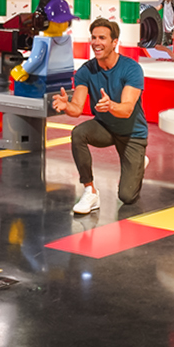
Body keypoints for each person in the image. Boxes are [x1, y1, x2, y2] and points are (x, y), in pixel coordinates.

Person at [54, 18, 148, 214]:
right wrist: (67, 106)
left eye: (102, 38)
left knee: (127, 196)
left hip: (132, 134)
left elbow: (127, 110)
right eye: (94, 37)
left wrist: (111, 105)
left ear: (114, 42)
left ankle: (139, 163)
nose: (96, 42)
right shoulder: (86, 71)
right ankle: (90, 191)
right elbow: (77, 109)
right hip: (105, 127)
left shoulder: (131, 69)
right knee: (79, 133)